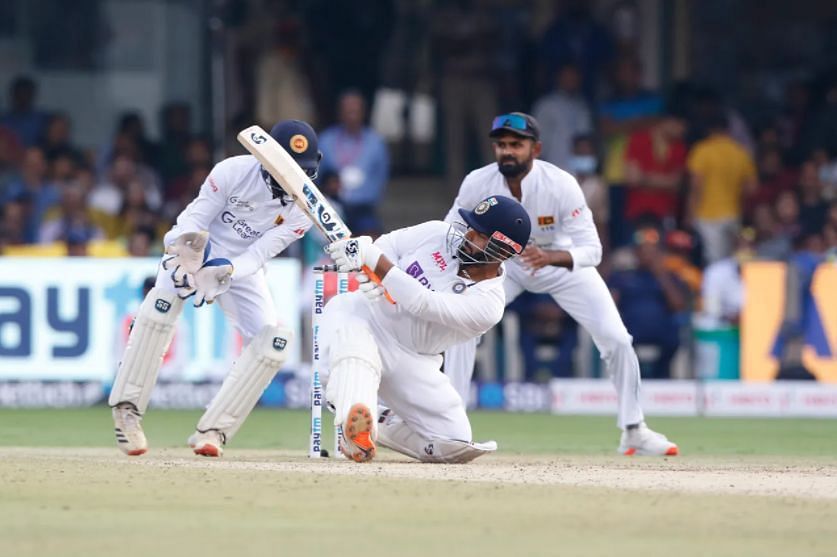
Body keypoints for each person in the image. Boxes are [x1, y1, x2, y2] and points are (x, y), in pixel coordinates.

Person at [443, 112, 678, 456]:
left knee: (617, 339)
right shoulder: (477, 182)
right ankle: (451, 426)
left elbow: (592, 250)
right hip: (506, 264)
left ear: (535, 149)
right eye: (502, 145)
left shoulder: (562, 184)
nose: (507, 152)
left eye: (516, 145)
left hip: (561, 263)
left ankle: (634, 430)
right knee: (463, 327)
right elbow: (451, 230)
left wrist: (549, 258)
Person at [108, 120, 320, 457]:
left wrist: (228, 271)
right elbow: (193, 220)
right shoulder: (232, 171)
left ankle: (214, 430)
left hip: (241, 267)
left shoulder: (305, 210)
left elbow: (258, 255)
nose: (296, 178)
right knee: (161, 305)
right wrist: (189, 258)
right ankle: (127, 411)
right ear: (269, 161)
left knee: (274, 342)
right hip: (194, 247)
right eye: (289, 169)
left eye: (304, 170)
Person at [320, 195, 531, 463]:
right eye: (470, 228)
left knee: (454, 441)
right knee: (353, 352)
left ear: (504, 250)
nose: (467, 235)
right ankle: (354, 430)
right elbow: (390, 244)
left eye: (479, 235)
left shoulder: (489, 303)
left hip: (413, 359)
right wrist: (371, 272)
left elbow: (424, 303)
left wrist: (374, 260)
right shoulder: (437, 233)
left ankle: (376, 422)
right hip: (364, 318)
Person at [318, 90, 389, 236]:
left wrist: (357, 196)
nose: (352, 116)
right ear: (340, 113)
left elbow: (380, 178)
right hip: (331, 207)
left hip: (363, 209)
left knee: (371, 238)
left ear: (364, 113)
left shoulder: (376, 143)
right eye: (348, 111)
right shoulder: (326, 140)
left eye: (355, 111)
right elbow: (316, 174)